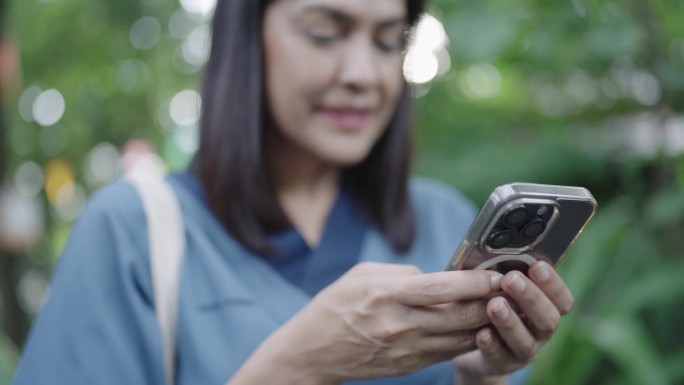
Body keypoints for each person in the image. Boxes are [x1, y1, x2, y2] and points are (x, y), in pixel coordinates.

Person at [12, 0, 575, 384]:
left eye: (388, 41)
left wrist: (485, 374)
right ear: (248, 36)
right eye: (325, 34)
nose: (364, 73)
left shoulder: (444, 218)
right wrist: (301, 363)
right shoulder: (133, 230)